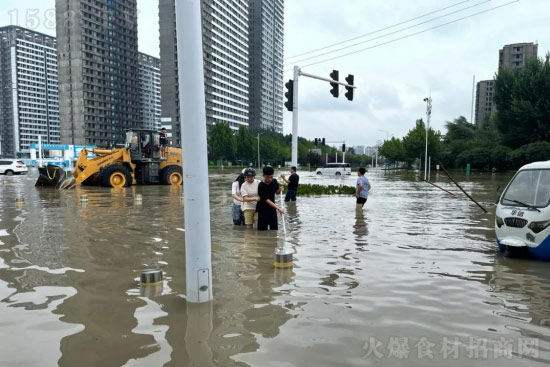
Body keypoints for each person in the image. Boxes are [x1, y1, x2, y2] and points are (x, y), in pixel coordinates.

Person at [257, 166, 284, 231]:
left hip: (272, 210)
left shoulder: (274, 181)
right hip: (262, 211)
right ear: (263, 175)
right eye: (267, 177)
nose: (269, 179)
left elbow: (276, 192)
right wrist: (278, 208)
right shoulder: (261, 186)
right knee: (262, 231)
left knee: (274, 230)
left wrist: (280, 190)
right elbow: (267, 200)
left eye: (271, 177)